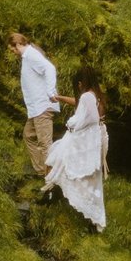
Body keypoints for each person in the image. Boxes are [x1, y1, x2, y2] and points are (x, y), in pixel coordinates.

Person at [42, 68, 109, 232]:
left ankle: (52, 197)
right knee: (89, 179)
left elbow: (91, 118)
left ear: (80, 84)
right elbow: (80, 104)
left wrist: (74, 124)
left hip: (86, 139)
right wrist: (59, 98)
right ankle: (92, 219)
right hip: (97, 138)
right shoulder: (96, 94)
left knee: (55, 160)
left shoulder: (87, 96)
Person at [8, 32, 59, 177]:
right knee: (29, 135)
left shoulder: (31, 55)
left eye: (12, 49)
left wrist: (50, 92)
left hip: (43, 106)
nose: (12, 52)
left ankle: (53, 179)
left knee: (45, 144)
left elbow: (50, 68)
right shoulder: (28, 56)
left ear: (17, 44)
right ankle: (43, 172)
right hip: (36, 109)